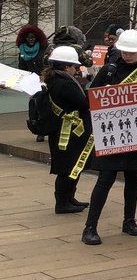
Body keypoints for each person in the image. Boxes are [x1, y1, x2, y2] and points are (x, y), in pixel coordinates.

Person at [82, 30, 137, 246]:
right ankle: (90, 227)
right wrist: (102, 94)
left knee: (133, 178)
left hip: (136, 136)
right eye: (125, 51)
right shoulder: (109, 71)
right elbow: (91, 97)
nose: (128, 56)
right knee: (105, 179)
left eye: (132, 52)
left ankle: (129, 221)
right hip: (111, 135)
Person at [43, 46, 92, 213]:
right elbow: (84, 103)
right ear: (66, 67)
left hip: (66, 129)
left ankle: (69, 198)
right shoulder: (64, 83)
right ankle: (62, 202)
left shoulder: (55, 79)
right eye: (74, 67)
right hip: (67, 132)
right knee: (67, 167)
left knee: (71, 165)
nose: (76, 70)